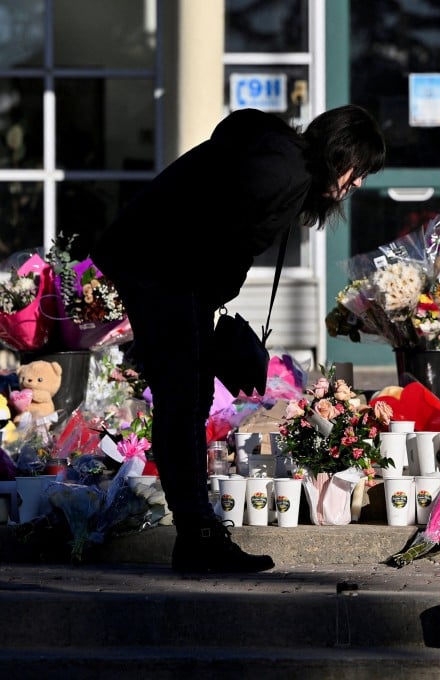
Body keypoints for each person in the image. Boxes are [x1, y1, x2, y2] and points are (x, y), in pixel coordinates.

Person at [92, 105, 385, 574]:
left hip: (165, 268)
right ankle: (198, 536)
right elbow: (213, 231)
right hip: (164, 268)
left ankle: (198, 533)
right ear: (342, 156)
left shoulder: (282, 164)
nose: (359, 183)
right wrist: (204, 305)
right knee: (183, 397)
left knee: (186, 395)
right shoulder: (279, 169)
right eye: (361, 170)